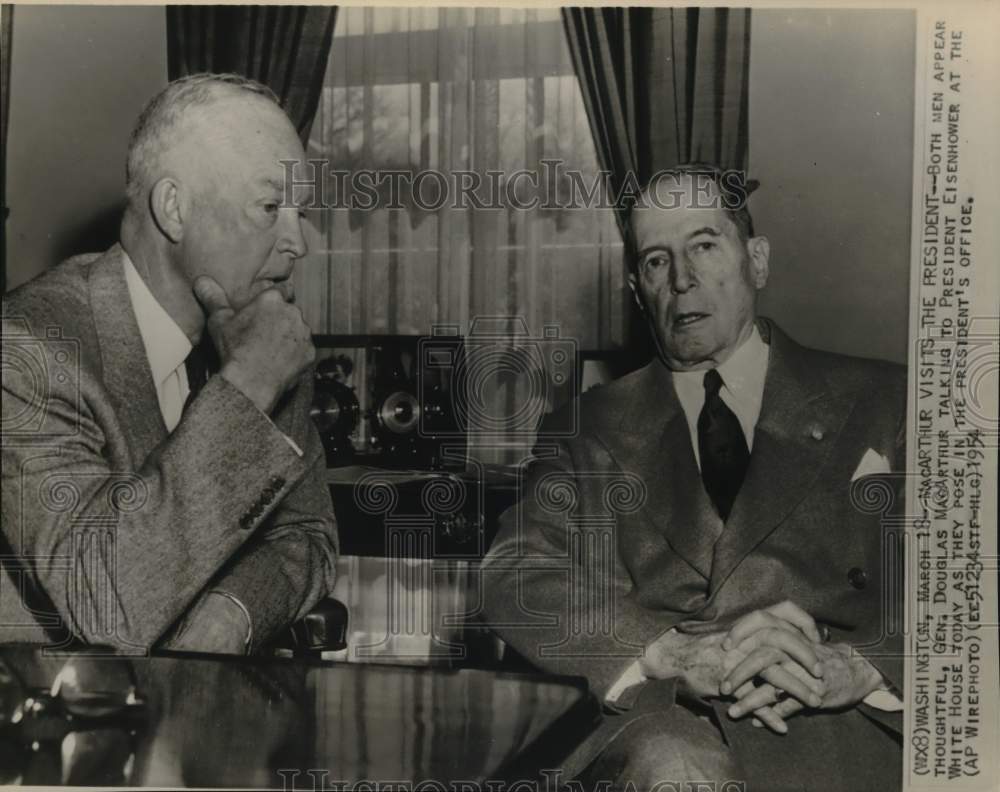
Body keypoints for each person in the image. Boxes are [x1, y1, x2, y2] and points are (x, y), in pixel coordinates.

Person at [482, 165, 906, 791]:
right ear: (638, 291)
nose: (682, 279)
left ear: (756, 261)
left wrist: (863, 663)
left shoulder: (886, 399)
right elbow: (515, 571)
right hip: (668, 727)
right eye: (657, 260)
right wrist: (666, 651)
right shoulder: (588, 426)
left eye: (704, 245)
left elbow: (974, 578)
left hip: (841, 724)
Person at [1, 73, 337, 655]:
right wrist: (248, 384)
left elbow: (309, 535)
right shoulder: (29, 351)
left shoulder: (262, 335)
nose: (298, 243)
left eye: (299, 211)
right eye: (270, 207)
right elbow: (102, 602)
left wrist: (232, 613)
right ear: (174, 209)